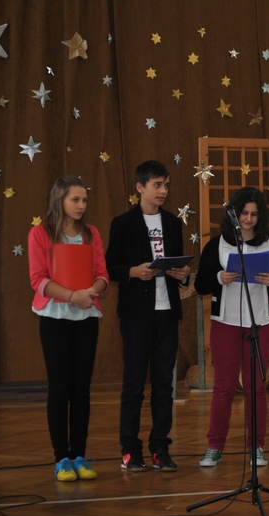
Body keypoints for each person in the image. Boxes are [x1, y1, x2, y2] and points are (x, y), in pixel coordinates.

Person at [105, 160, 191, 472]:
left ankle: (160, 448)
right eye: (157, 185)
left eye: (166, 185)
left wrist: (183, 274)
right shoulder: (123, 223)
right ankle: (130, 449)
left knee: (164, 385)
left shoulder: (172, 223)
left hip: (167, 314)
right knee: (134, 384)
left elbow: (178, 266)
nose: (163, 190)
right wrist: (133, 271)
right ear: (140, 187)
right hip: (136, 316)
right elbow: (110, 266)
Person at [194, 186, 269, 467]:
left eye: (254, 214)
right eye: (244, 213)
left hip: (260, 323)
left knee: (256, 388)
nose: (248, 219)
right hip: (226, 323)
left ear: (261, 216)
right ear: (234, 214)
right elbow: (200, 285)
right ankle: (214, 447)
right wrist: (219, 278)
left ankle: (256, 447)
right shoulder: (217, 245)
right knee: (224, 387)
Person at [28, 176, 109, 482]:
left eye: (84, 200)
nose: (81, 205)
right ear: (60, 200)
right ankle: (61, 458)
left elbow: (102, 275)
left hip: (86, 318)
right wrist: (72, 296)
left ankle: (79, 456)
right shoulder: (40, 233)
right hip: (54, 318)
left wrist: (91, 291)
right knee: (60, 388)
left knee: (81, 389)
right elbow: (38, 279)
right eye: (75, 199)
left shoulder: (91, 234)